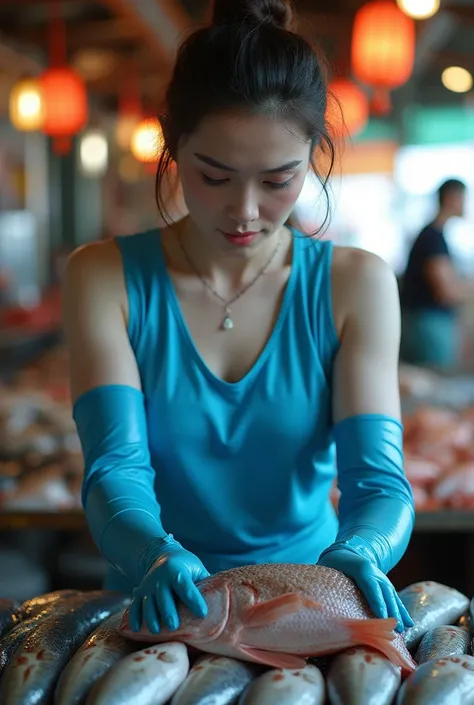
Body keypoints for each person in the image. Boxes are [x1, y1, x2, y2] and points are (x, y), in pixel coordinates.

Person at [64, 0, 415, 638]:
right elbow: (114, 468)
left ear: (314, 155)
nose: (246, 211)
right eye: (215, 176)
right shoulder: (104, 277)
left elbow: (378, 479)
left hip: (306, 602)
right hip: (162, 604)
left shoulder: (354, 284)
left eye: (279, 180)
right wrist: (153, 553)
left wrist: (361, 549)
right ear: (171, 145)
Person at [400, 178, 473, 369]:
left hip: (429, 325)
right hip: (428, 326)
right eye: (463, 198)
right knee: (432, 386)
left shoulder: (435, 236)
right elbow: (446, 291)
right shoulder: (432, 238)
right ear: (451, 198)